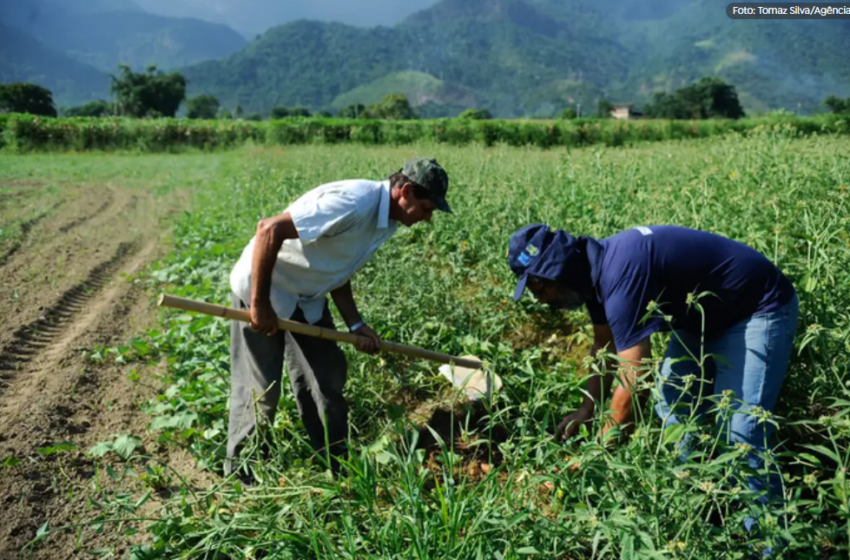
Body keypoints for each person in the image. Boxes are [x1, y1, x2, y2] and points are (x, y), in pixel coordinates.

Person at [506, 223, 798, 534]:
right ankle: (701, 512)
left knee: (741, 430)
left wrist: (599, 451)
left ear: (555, 271)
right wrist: (586, 409)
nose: (540, 299)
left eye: (538, 288)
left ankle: (767, 542)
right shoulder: (591, 274)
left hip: (756, 308)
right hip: (699, 318)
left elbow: (635, 376)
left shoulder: (620, 273)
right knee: (674, 406)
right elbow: (606, 347)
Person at [226, 157, 452, 478]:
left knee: (326, 378)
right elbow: (269, 229)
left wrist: (356, 324)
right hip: (264, 289)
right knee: (261, 391)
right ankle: (241, 476)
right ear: (407, 191)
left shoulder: (385, 222)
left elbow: (338, 268)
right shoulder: (354, 203)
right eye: (427, 208)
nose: (428, 218)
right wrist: (258, 304)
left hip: (307, 298)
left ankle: (336, 465)